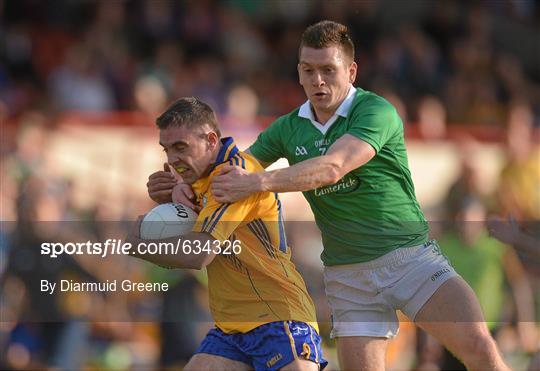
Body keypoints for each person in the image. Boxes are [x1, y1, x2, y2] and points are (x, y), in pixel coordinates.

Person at [147, 21, 509, 370]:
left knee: (479, 350)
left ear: (351, 71)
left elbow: (333, 166)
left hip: (409, 260)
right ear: (299, 72)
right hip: (348, 277)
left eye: (328, 70)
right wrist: (186, 183)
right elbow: (235, 169)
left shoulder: (375, 110)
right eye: (308, 70)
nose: (317, 81)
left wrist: (258, 183)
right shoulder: (288, 127)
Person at [133, 97, 326, 371]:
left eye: (180, 147)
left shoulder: (235, 177)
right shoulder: (201, 179)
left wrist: (137, 244)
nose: (173, 159)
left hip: (277, 317)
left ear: (211, 140)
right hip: (232, 329)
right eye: (167, 150)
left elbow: (199, 254)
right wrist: (172, 195)